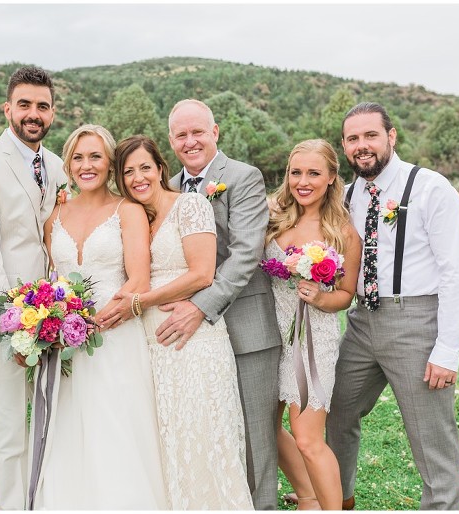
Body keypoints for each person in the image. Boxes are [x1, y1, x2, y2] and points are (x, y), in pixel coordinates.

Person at [326, 102, 459, 510]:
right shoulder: (350, 194)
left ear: (391, 137)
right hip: (360, 321)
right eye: (352, 139)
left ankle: (442, 506)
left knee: (430, 434)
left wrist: (448, 348)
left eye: (370, 135)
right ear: (344, 145)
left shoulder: (430, 188)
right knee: (336, 410)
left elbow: (456, 271)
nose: (362, 146)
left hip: (416, 322)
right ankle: (337, 495)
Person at [102, 134, 253, 509]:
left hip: (194, 340)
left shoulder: (191, 205)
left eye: (145, 168)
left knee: (201, 437)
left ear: (160, 169)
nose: (138, 178)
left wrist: (140, 302)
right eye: (128, 171)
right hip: (150, 349)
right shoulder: (134, 217)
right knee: (166, 446)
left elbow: (202, 274)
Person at [155, 98, 281, 509]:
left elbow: (246, 252)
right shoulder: (168, 187)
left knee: (256, 435)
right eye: (181, 135)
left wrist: (200, 306)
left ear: (215, 132)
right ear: (171, 140)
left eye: (197, 132)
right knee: (214, 430)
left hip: (245, 324)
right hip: (192, 340)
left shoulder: (243, 177)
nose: (190, 141)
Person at [33, 125, 168, 509]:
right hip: (66, 343)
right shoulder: (54, 215)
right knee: (72, 429)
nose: (86, 165)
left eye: (95, 156)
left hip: (116, 335)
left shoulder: (128, 211)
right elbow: (51, 279)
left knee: (117, 427)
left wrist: (100, 320)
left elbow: (139, 277)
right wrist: (55, 321)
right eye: (78, 157)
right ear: (68, 164)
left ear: (110, 163)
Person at [0, 66, 68, 509]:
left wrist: (58, 312)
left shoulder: (58, 165)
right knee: (7, 428)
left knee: (51, 420)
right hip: (4, 321)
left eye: (42, 106)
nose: (33, 114)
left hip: (55, 319)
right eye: (24, 105)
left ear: (52, 112)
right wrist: (13, 324)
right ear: (7, 108)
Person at [264, 139, 361, 510]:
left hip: (311, 341)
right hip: (270, 334)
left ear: (332, 177)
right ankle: (308, 496)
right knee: (267, 428)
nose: (303, 182)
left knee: (307, 439)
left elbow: (346, 294)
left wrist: (320, 298)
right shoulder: (273, 214)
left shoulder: (342, 232)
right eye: (296, 172)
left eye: (313, 173)